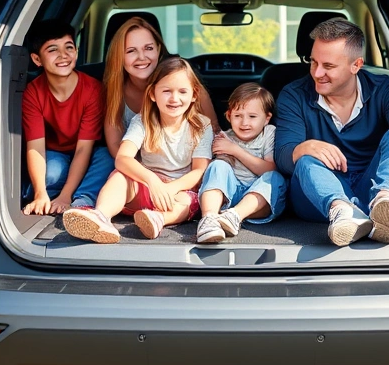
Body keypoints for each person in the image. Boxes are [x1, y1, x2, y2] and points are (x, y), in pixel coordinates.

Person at [274, 18, 389, 246]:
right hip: (319, 199)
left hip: (375, 187)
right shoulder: (294, 94)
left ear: (356, 65)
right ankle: (342, 211)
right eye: (313, 62)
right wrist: (303, 148)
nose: (317, 73)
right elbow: (281, 158)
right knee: (305, 157)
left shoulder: (383, 88)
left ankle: (384, 203)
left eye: (328, 66)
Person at [63, 57, 213, 242]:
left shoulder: (201, 125)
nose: (175, 98)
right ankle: (101, 217)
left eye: (182, 91)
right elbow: (122, 158)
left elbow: (199, 170)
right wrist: (152, 181)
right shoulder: (143, 121)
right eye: (166, 91)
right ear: (152, 94)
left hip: (177, 193)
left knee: (191, 201)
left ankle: (158, 220)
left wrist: (170, 189)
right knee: (120, 176)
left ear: (194, 95)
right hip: (145, 188)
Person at [21, 21, 114, 215]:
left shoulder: (93, 90)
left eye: (69, 47)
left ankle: (81, 200)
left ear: (77, 52)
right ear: (37, 59)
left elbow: (83, 149)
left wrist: (66, 196)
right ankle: (44, 196)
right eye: (53, 50)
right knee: (52, 172)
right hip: (56, 154)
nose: (63, 55)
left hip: (87, 153)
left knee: (108, 158)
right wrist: (39, 192)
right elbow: (35, 147)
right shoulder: (33, 92)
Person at [102, 16, 220, 158]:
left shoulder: (188, 88)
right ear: (119, 56)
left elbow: (214, 134)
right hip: (137, 168)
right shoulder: (115, 91)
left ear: (158, 50)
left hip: (187, 167)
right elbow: (115, 145)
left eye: (149, 48)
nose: (141, 57)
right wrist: (144, 174)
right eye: (131, 51)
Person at [196, 83, 287, 244]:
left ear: (267, 118)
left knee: (274, 177)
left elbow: (270, 168)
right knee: (217, 166)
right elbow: (218, 177)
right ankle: (209, 219)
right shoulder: (224, 138)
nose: (244, 123)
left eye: (252, 116)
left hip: (259, 202)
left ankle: (235, 215)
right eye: (238, 116)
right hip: (229, 197)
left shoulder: (269, 133)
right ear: (229, 115)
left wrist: (236, 150)